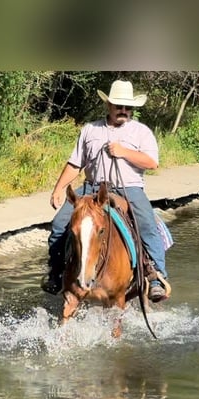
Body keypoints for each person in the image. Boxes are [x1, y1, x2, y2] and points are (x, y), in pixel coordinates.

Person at [41, 79, 170, 303]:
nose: (123, 111)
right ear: (109, 105)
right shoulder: (90, 130)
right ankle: (56, 272)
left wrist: (123, 151)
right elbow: (75, 163)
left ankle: (156, 276)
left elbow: (152, 163)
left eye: (127, 107)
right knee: (60, 225)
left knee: (147, 226)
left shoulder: (141, 132)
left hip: (129, 188)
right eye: (119, 106)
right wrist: (59, 188)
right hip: (91, 187)